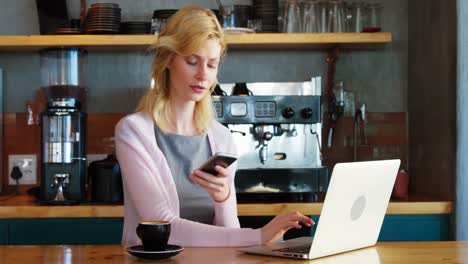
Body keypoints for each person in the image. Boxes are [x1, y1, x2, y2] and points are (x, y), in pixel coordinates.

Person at [115, 6, 314, 247]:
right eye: (192, 61)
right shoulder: (134, 132)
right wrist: (258, 236)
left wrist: (223, 199)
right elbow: (163, 226)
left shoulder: (222, 138)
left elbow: (229, 234)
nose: (202, 75)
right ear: (168, 59)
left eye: (211, 64)